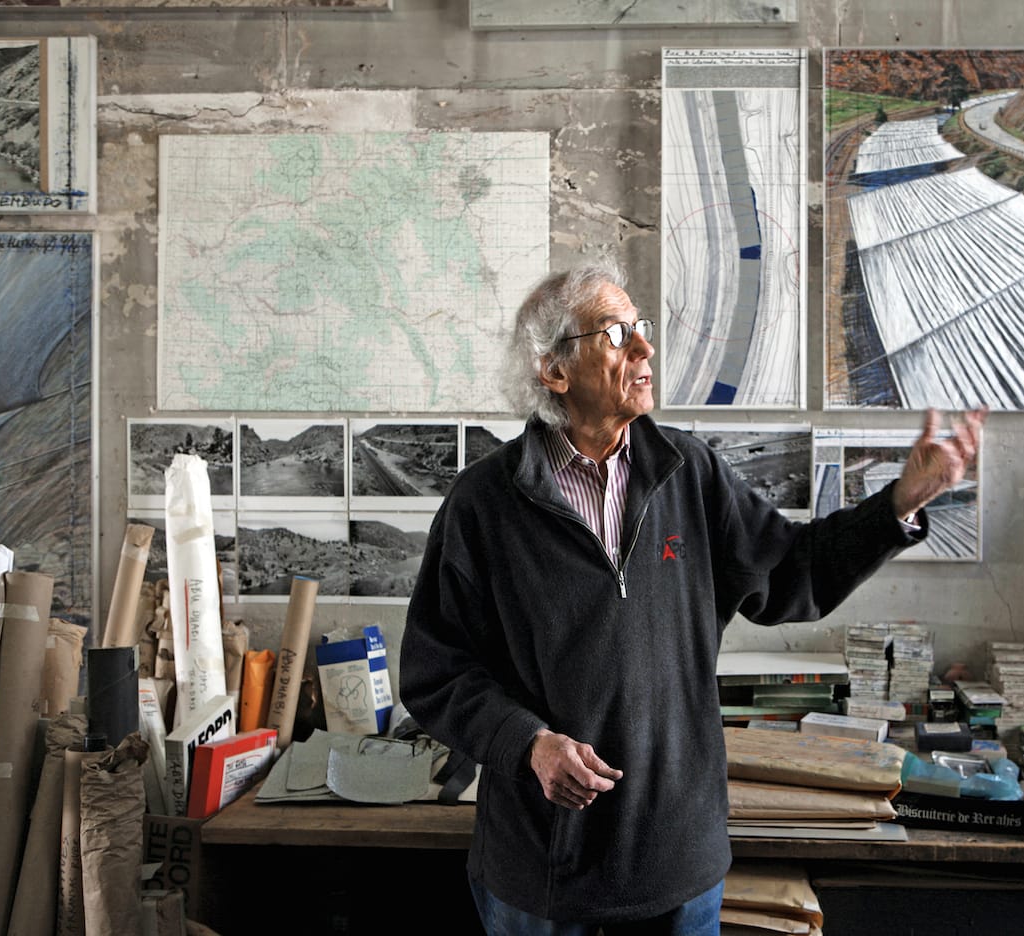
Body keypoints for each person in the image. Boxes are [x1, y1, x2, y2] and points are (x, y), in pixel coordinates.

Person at [400, 262, 985, 935]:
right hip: (542, 869)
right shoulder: (483, 503)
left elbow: (792, 574)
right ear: (554, 370)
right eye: (615, 334)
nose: (645, 348)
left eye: (640, 328)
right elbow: (436, 671)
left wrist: (899, 503)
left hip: (677, 860)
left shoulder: (690, 472)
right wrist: (528, 743)